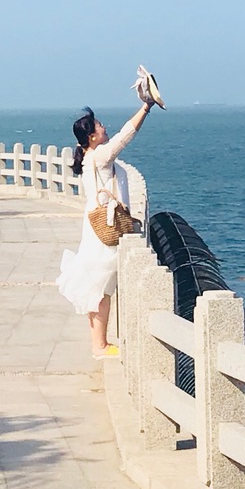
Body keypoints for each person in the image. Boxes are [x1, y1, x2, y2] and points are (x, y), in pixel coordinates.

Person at [55, 99, 154, 358]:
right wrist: (146, 107)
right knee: (101, 287)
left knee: (97, 285)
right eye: (99, 126)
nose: (104, 127)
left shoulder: (90, 157)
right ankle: (99, 345)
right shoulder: (99, 156)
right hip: (105, 230)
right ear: (92, 137)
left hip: (95, 227)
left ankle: (99, 342)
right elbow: (126, 135)